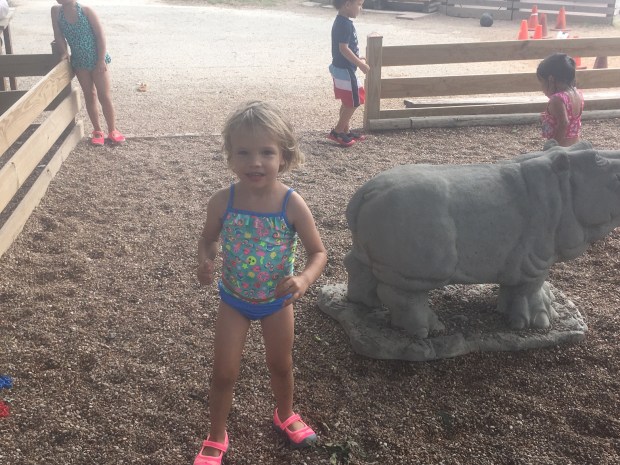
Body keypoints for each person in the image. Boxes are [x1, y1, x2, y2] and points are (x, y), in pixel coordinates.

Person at [194, 101, 328, 465]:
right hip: (234, 301)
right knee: (224, 372)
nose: (255, 162)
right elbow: (208, 239)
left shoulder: (291, 204)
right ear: (230, 155)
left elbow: (318, 252)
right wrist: (205, 260)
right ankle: (216, 435)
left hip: (277, 303)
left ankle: (285, 413)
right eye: (244, 152)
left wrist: (303, 279)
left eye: (266, 152)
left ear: (284, 155)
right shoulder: (222, 201)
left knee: (280, 365)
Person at [51, 1, 125, 146]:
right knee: (89, 94)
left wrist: (101, 59)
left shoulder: (86, 11)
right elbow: (58, 34)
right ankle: (97, 130)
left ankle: (112, 129)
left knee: (104, 95)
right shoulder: (56, 11)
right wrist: (64, 52)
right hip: (79, 62)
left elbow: (100, 35)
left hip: (97, 59)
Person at [328, 0, 369, 147]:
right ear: (347, 5)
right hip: (345, 69)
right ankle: (337, 132)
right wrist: (360, 64)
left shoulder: (342, 21)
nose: (361, 8)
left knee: (347, 101)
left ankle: (345, 131)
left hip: (342, 68)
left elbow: (347, 48)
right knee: (354, 100)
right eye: (359, 4)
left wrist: (357, 58)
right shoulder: (344, 24)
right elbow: (344, 49)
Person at [537, 53, 584, 147]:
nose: (541, 88)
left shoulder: (557, 99)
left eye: (542, 82)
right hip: (575, 144)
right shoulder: (577, 94)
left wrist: (553, 146)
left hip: (562, 148)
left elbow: (564, 123)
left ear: (551, 80)